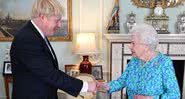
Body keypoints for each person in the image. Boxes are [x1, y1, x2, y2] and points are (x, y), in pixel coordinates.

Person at [10, 0, 96, 99]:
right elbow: (50, 74)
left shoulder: (36, 35)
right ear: (42, 17)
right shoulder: (27, 38)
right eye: (57, 20)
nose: (59, 25)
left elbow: (50, 70)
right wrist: (86, 86)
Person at [97, 24, 180, 99]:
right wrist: (104, 86)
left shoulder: (164, 63)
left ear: (146, 46)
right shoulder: (134, 62)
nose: (130, 46)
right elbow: (121, 82)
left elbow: (175, 94)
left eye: (133, 43)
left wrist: (151, 98)